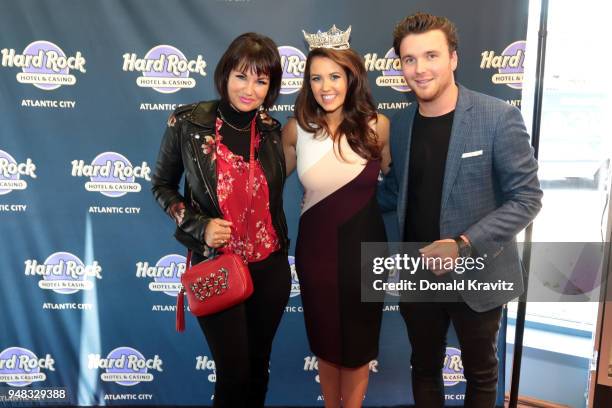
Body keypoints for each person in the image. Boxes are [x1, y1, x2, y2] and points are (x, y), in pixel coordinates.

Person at [378, 13, 543, 407]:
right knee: (424, 369)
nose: (420, 69)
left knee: (482, 374)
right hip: (419, 272)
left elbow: (527, 198)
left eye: (431, 55)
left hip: (480, 270)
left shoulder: (498, 117)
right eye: (409, 59)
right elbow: (397, 192)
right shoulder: (400, 124)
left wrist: (463, 243)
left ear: (453, 58)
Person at [151, 32, 290, 408]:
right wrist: (199, 226)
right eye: (241, 76)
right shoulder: (187, 123)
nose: (250, 89)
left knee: (259, 367)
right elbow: (162, 186)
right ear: (225, 74)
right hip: (217, 266)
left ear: (271, 86)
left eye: (261, 80)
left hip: (271, 267)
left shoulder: (273, 132)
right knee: (234, 373)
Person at [282, 26, 391, 408]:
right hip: (317, 253)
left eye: (334, 76)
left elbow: (391, 183)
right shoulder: (296, 130)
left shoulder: (377, 126)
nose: (325, 86)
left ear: (351, 77)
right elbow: (267, 180)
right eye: (315, 77)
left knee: (360, 344)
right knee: (326, 341)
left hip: (366, 251)